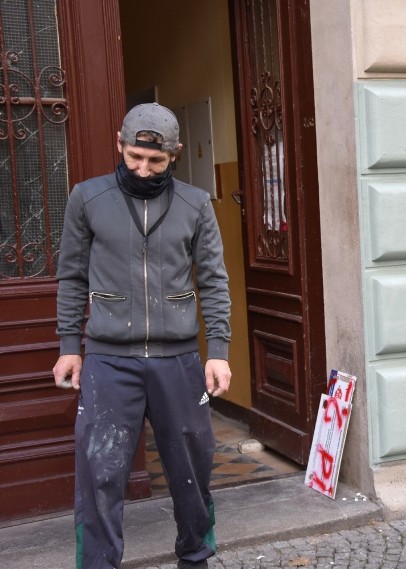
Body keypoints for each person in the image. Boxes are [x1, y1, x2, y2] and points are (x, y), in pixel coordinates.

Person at [52, 103, 232, 569]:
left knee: (192, 472)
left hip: (179, 362)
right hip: (109, 361)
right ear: (119, 143)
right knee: (100, 476)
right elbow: (71, 277)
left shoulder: (195, 204)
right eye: (134, 157)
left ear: (173, 154)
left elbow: (213, 279)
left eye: (155, 161)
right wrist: (70, 346)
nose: (143, 169)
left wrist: (219, 351)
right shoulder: (87, 198)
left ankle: (196, 557)